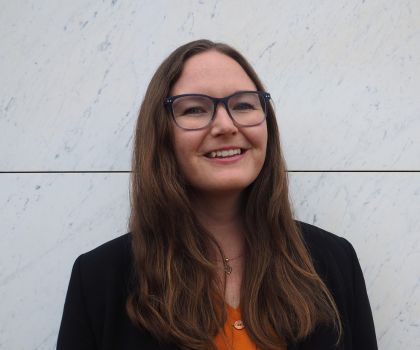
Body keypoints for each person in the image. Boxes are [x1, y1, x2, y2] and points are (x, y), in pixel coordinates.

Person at [57, 39, 378, 350]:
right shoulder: (99, 278)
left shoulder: (333, 261)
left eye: (243, 105)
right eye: (195, 109)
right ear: (161, 134)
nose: (225, 125)